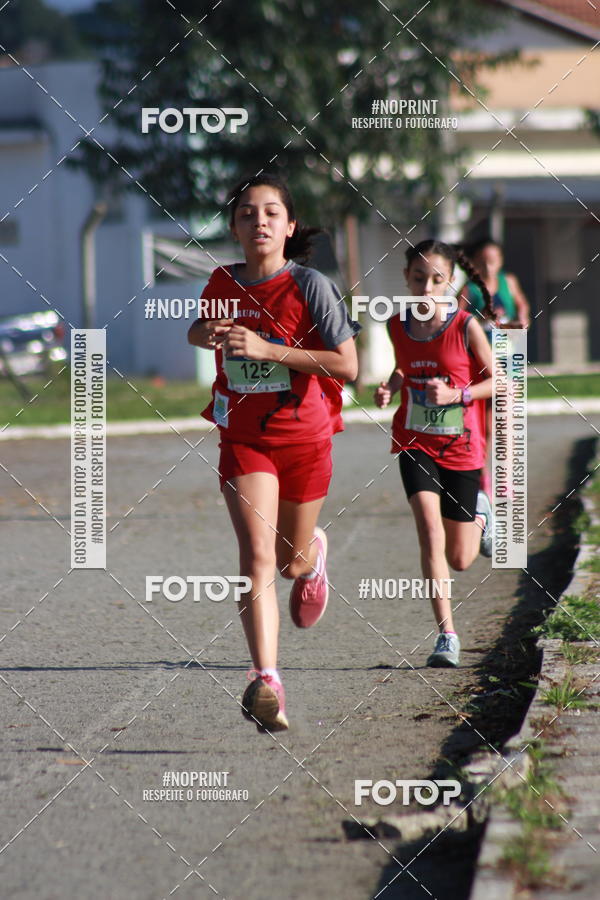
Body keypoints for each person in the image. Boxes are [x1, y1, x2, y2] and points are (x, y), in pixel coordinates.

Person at [188, 173, 360, 733]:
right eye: (245, 213)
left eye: (269, 213)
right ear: (235, 228)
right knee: (256, 555)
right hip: (245, 438)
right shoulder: (220, 282)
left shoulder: (312, 286)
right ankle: (267, 680)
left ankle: (314, 554)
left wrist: (270, 349)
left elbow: (347, 366)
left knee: (290, 563)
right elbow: (199, 330)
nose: (257, 221)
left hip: (305, 438)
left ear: (288, 227)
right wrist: (204, 334)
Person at [374, 239, 494, 668]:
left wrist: (458, 393)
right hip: (414, 439)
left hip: (461, 446)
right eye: (418, 278)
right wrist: (392, 385)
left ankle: (481, 513)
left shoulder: (465, 326)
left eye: (436, 279)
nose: (427, 287)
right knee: (429, 530)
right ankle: (447, 635)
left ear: (450, 282)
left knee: (461, 557)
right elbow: (405, 365)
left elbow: (500, 382)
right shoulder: (396, 324)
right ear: (406, 279)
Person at [458, 238, 530, 494]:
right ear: (475, 262)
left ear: (500, 261)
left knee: (505, 422)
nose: (489, 267)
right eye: (484, 261)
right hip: (480, 362)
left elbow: (521, 305)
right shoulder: (470, 289)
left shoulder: (508, 282)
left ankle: (504, 480)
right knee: (485, 427)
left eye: (494, 260)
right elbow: (456, 320)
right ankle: (483, 478)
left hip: (508, 358)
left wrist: (522, 319)